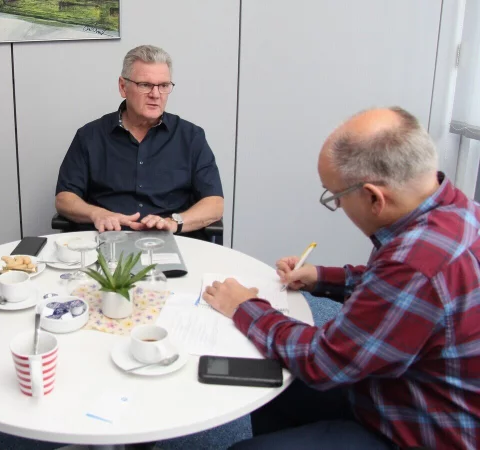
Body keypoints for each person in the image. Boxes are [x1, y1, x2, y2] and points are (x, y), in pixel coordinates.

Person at [203, 107, 480, 449]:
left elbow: (322, 361)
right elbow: (391, 287)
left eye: (335, 197)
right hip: (406, 382)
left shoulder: (417, 263)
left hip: (423, 426)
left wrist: (246, 306)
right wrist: (322, 277)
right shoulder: (456, 209)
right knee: (279, 384)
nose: (337, 205)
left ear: (373, 197)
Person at [55, 45, 224, 239]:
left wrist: (173, 222)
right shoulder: (90, 136)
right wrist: (98, 214)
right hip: (107, 240)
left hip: (172, 241)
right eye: (145, 85)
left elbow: (215, 204)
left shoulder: (191, 137)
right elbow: (64, 199)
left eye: (163, 85)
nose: (155, 94)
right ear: (122, 87)